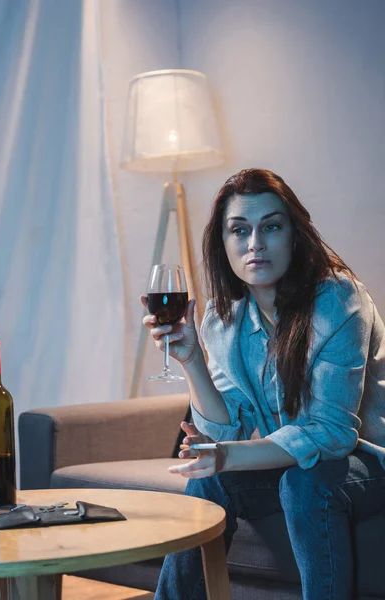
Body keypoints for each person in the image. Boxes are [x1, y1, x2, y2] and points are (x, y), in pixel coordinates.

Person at [141, 168, 385, 600]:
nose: (255, 243)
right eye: (240, 230)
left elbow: (331, 434)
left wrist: (225, 455)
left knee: (306, 483)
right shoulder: (222, 317)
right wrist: (192, 360)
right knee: (207, 483)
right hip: (299, 461)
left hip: (368, 463)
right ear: (224, 243)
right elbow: (223, 432)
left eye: (270, 227)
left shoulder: (339, 301)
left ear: (294, 234)